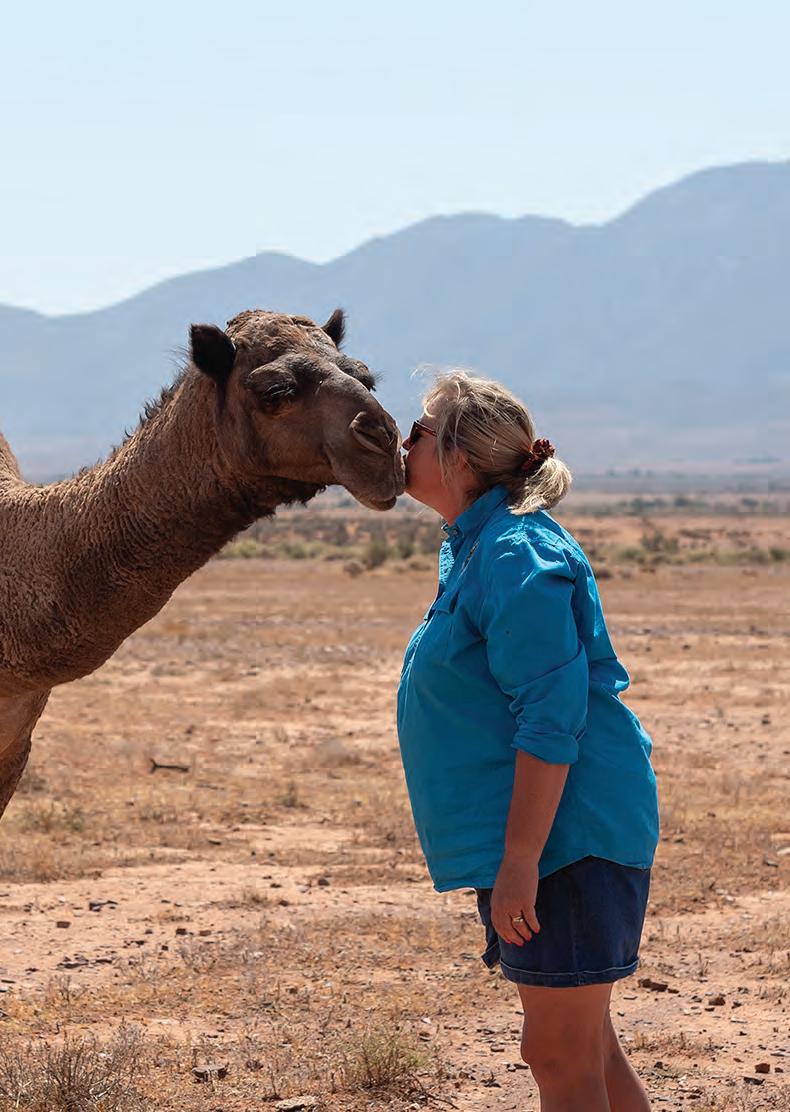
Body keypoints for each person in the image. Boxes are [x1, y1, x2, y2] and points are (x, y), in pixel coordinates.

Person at [396, 371, 659, 1111]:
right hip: (553, 837)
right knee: (587, 1050)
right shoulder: (483, 544)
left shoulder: (515, 552)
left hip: (566, 841)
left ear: (459, 457)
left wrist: (521, 859)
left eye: (418, 432)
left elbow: (550, 716)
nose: (403, 444)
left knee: (558, 1053)